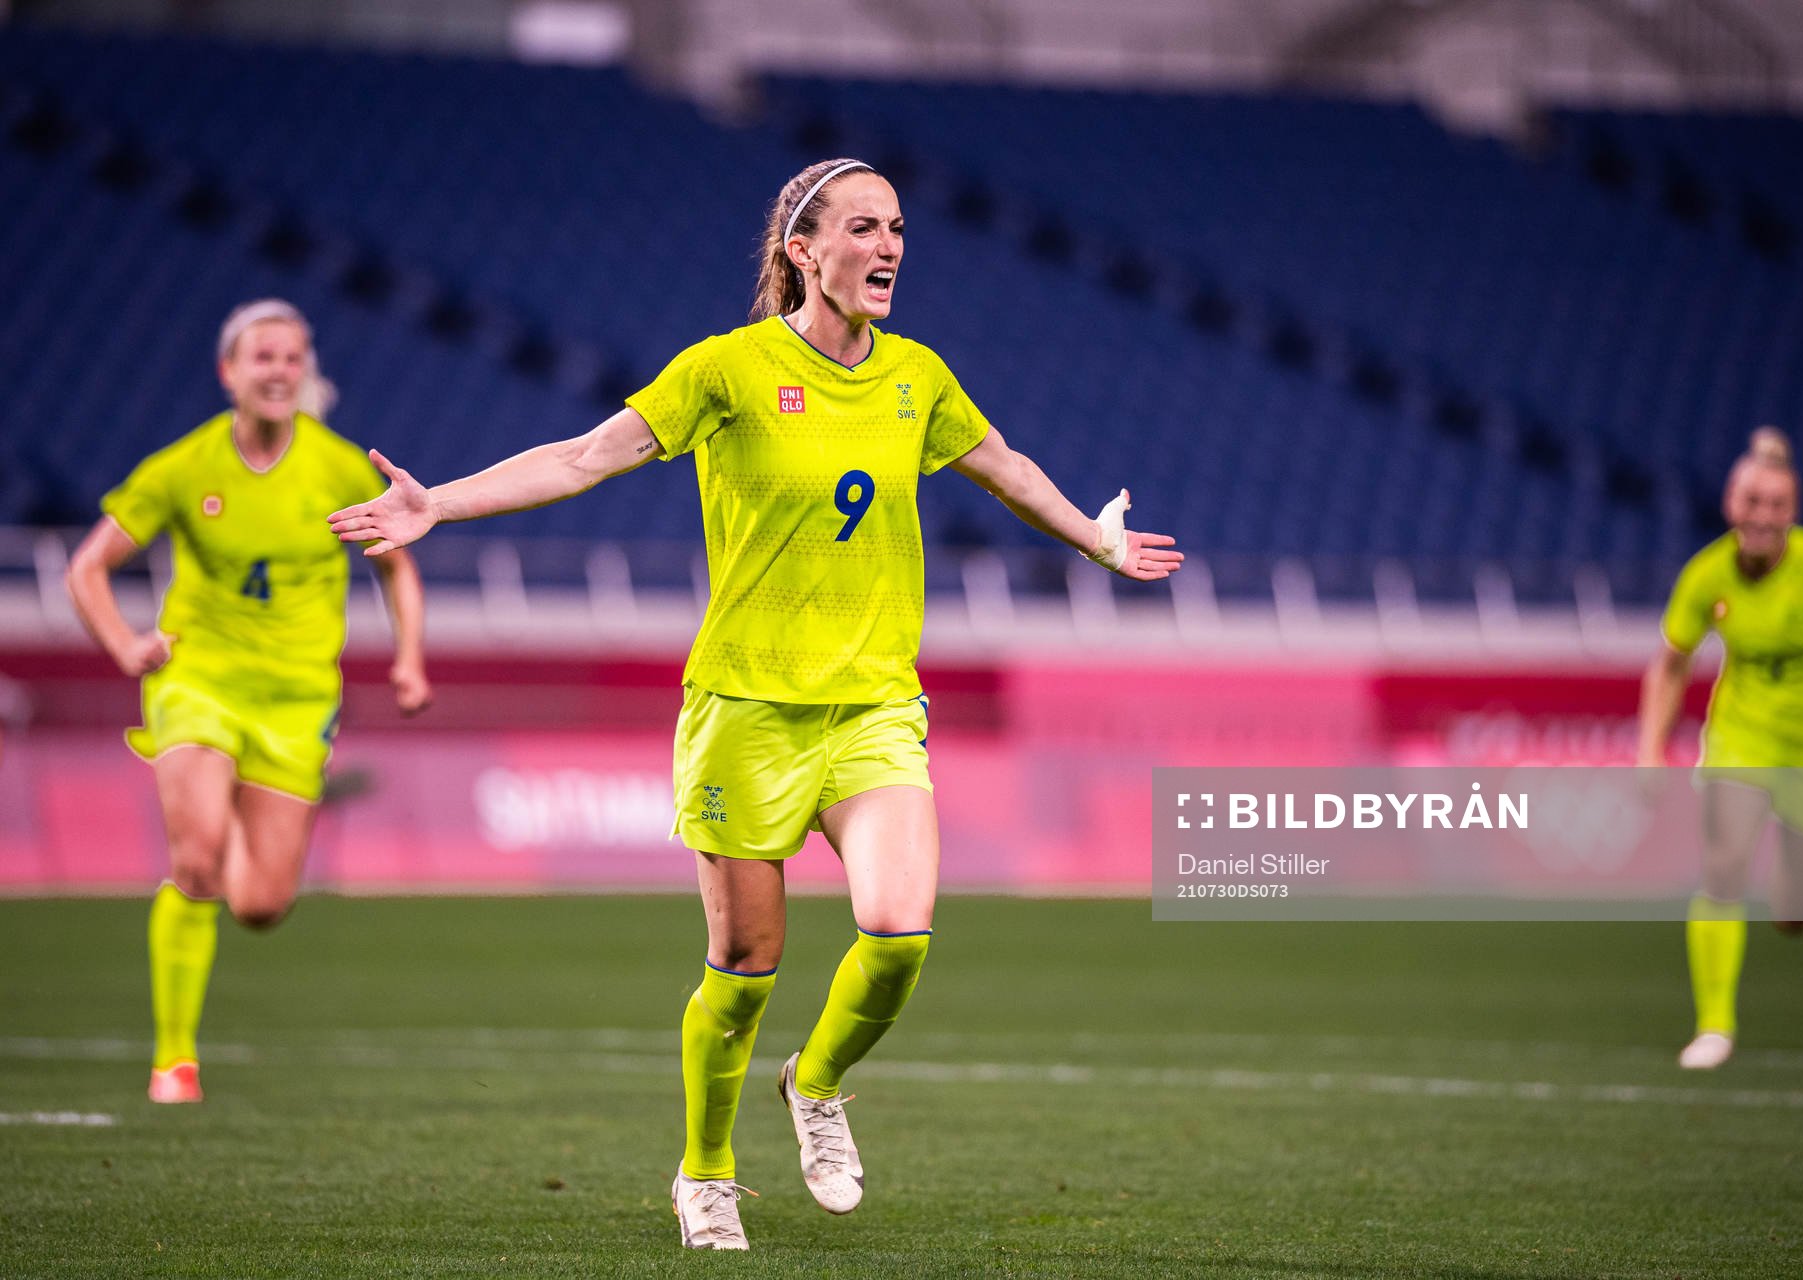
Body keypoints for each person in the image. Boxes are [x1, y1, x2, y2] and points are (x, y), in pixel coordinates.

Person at [327, 157, 1182, 1248]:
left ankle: (815, 1083)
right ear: (802, 250)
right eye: (864, 228)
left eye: (899, 229)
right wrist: (436, 504)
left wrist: (1097, 537)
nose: (889, 248)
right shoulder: (727, 370)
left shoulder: (918, 377)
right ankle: (706, 1171)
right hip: (745, 710)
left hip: (871, 706)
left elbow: (1005, 466)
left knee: (901, 935)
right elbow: (587, 458)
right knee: (742, 973)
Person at [66, 299, 432, 1105]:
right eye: (263, 357)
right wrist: (127, 645)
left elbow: (395, 564)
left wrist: (408, 658)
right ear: (229, 371)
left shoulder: (339, 467)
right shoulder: (183, 468)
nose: (279, 371)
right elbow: (87, 568)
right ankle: (174, 1061)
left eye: (293, 358)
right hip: (198, 681)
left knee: (262, 904)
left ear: (306, 373)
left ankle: (227, 800)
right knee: (195, 860)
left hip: (298, 702)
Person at [1636, 427, 1803, 1071]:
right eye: (1750, 502)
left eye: (1775, 505)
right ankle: (1714, 1027)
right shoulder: (1707, 574)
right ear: (1730, 504)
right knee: (1724, 863)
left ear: (1793, 511)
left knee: (1794, 915)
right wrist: (1651, 747)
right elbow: (1671, 663)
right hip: (1744, 734)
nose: (1761, 516)